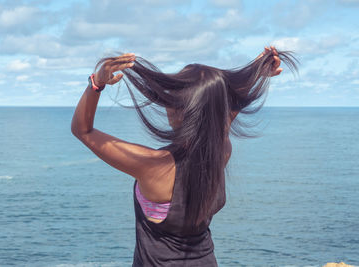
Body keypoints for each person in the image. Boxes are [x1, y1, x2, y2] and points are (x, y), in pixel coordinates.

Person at [71, 46, 298, 266]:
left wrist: (97, 84)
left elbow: (83, 130)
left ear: (181, 110)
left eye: (173, 98)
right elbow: (218, 111)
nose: (168, 104)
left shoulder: (153, 165)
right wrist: (259, 73)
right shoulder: (221, 151)